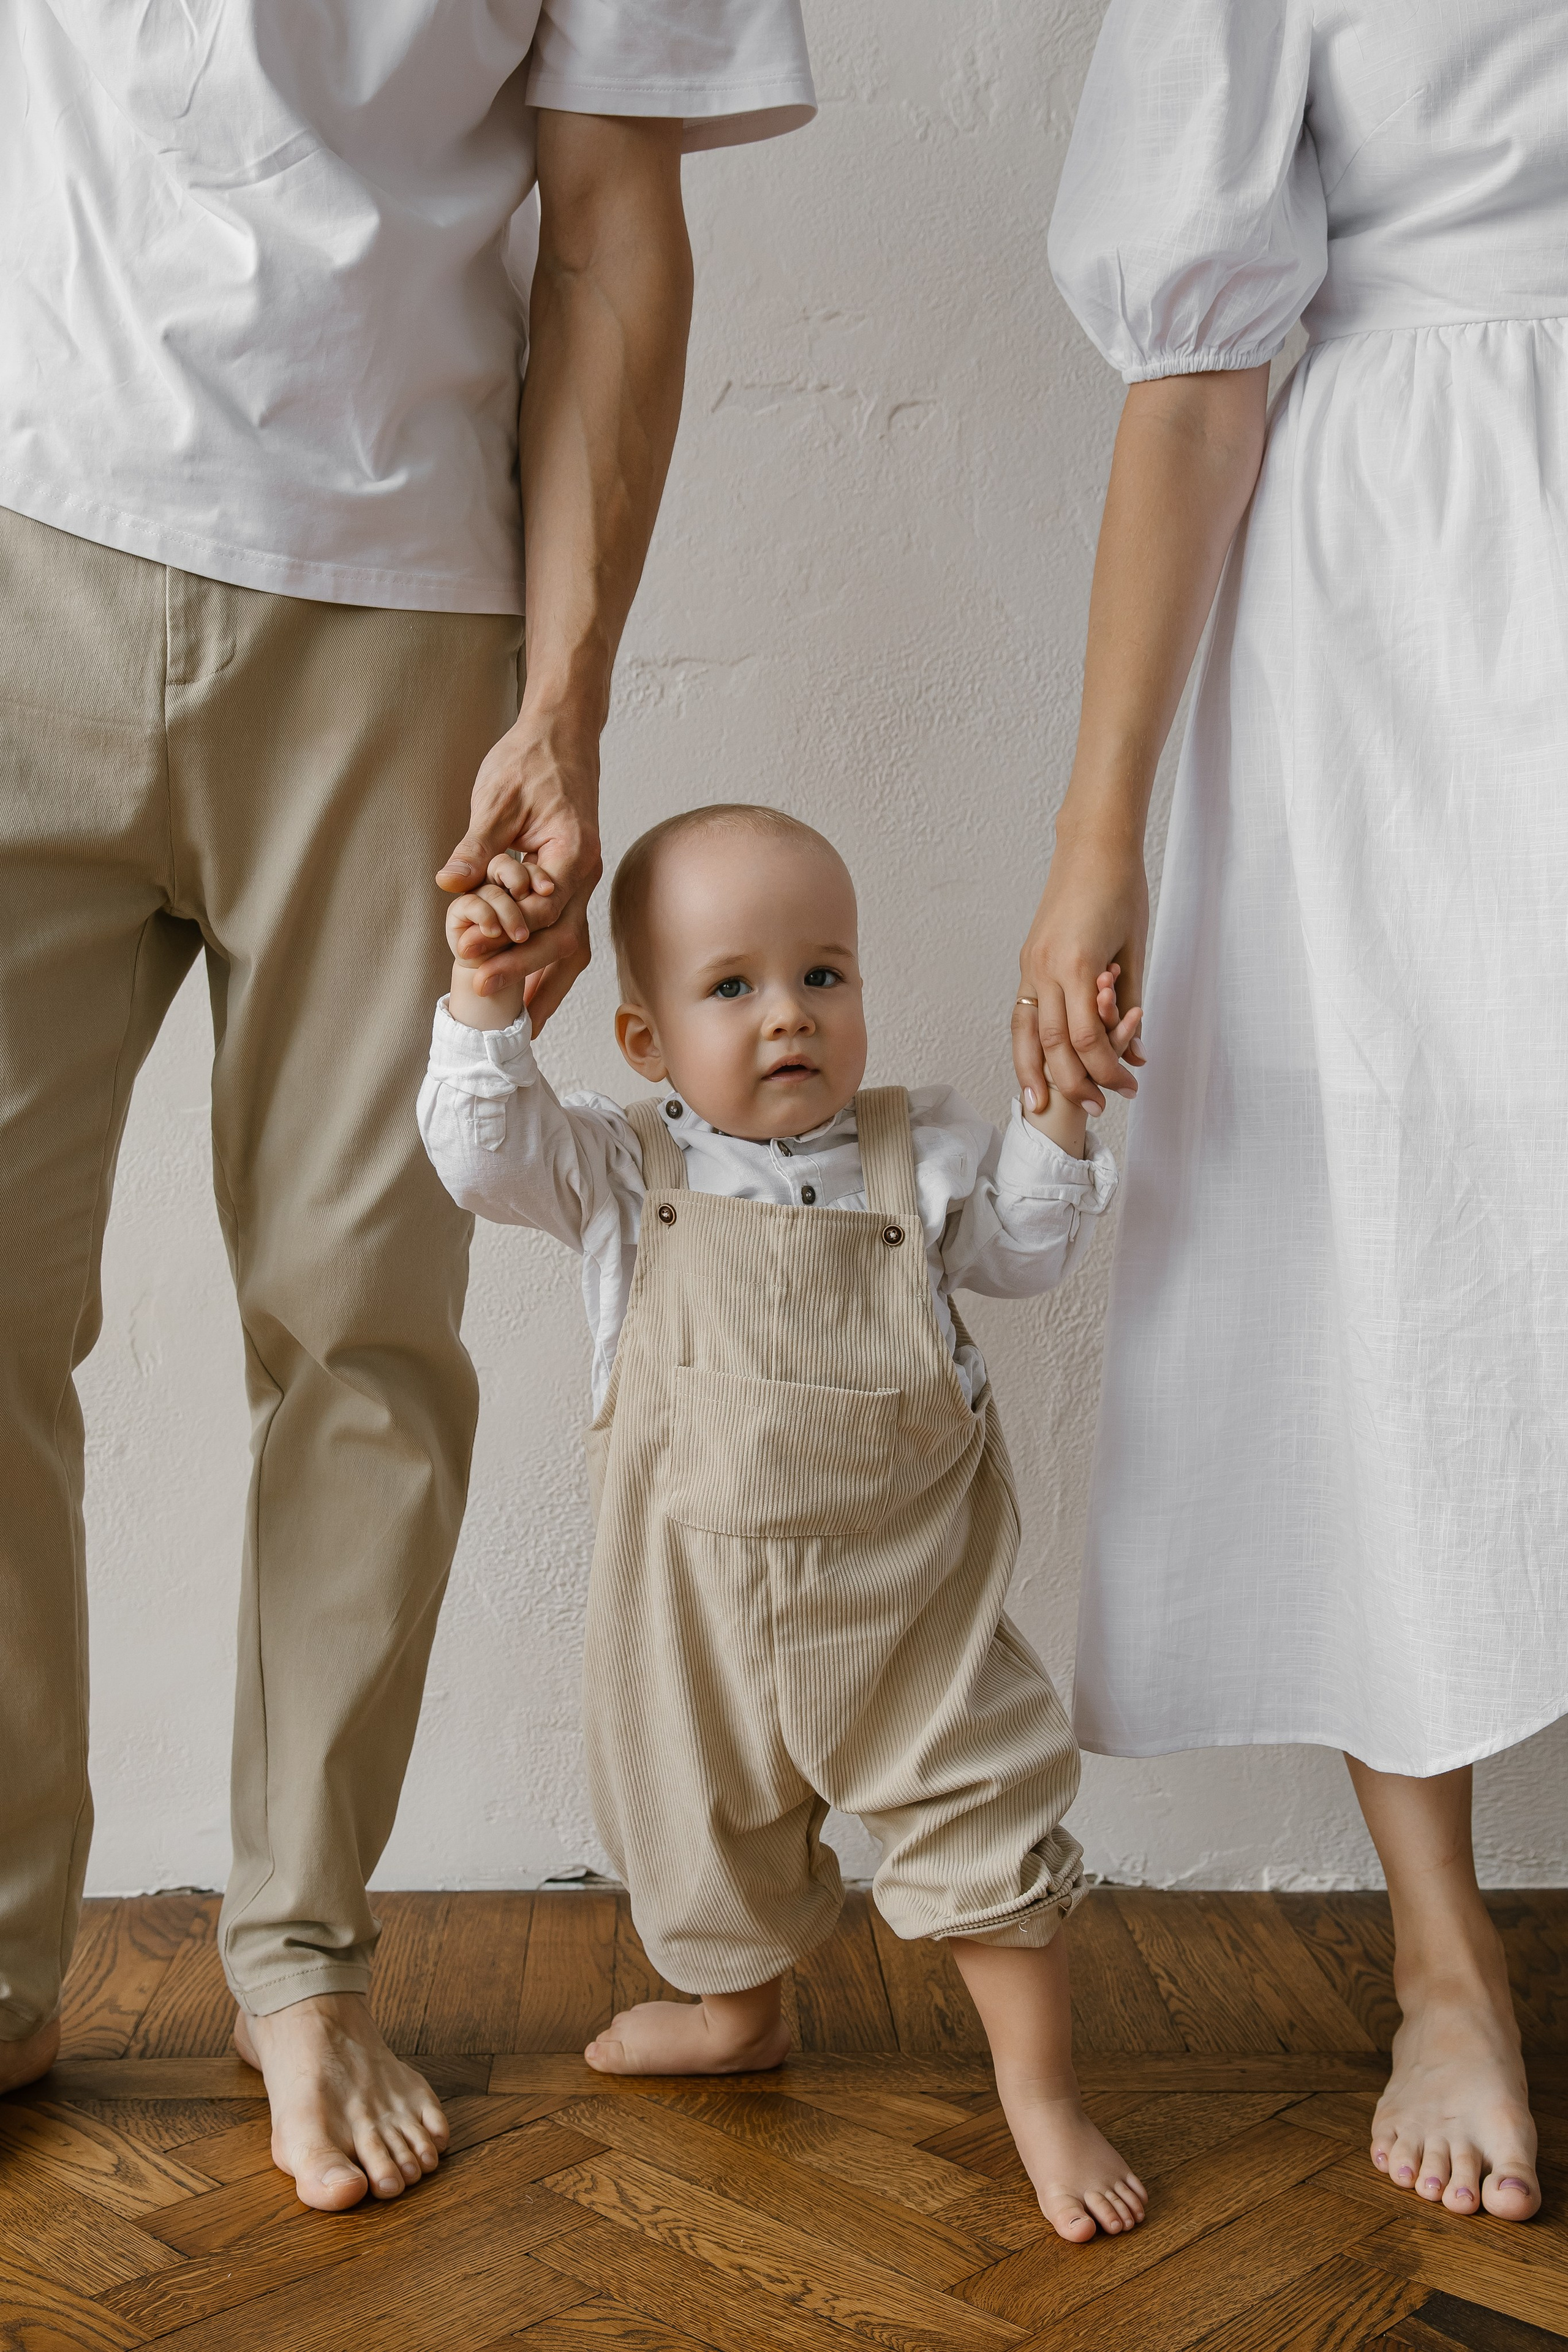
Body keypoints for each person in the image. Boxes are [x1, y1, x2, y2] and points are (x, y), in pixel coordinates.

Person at [0, 2, 816, 2213]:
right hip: (19, 521)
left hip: (397, 611)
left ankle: (304, 1964)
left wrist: (564, 705)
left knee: (360, 1322)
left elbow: (616, 234)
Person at [1016, 0, 1564, 2225]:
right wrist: (1100, 832)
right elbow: (1197, 375)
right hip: (1414, 598)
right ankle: (1445, 1958)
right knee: (1393, 1243)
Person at [418, 801, 1148, 2242]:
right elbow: (479, 1158)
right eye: (731, 986)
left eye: (824, 976)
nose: (787, 1017)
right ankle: (733, 2015)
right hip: (686, 1602)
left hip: (906, 1601)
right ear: (644, 1041)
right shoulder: (622, 1172)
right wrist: (483, 1009)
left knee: (979, 1820)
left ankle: (1041, 2093)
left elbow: (1023, 1248)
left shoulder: (919, 1154)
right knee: (694, 1827)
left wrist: (1054, 1111)